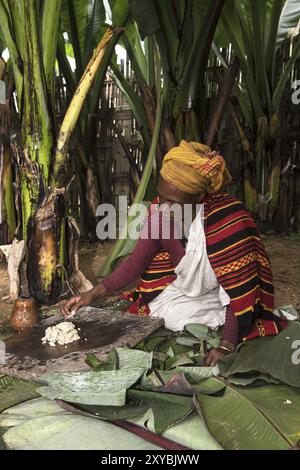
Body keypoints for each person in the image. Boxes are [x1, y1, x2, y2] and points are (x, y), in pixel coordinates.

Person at [62, 140, 285, 366]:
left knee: (236, 312)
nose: (163, 207)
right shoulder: (160, 213)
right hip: (185, 289)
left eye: (174, 202)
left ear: (199, 197)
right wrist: (94, 293)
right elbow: (137, 261)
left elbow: (239, 289)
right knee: (170, 317)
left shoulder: (229, 221)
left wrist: (227, 344)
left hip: (225, 291)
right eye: (161, 196)